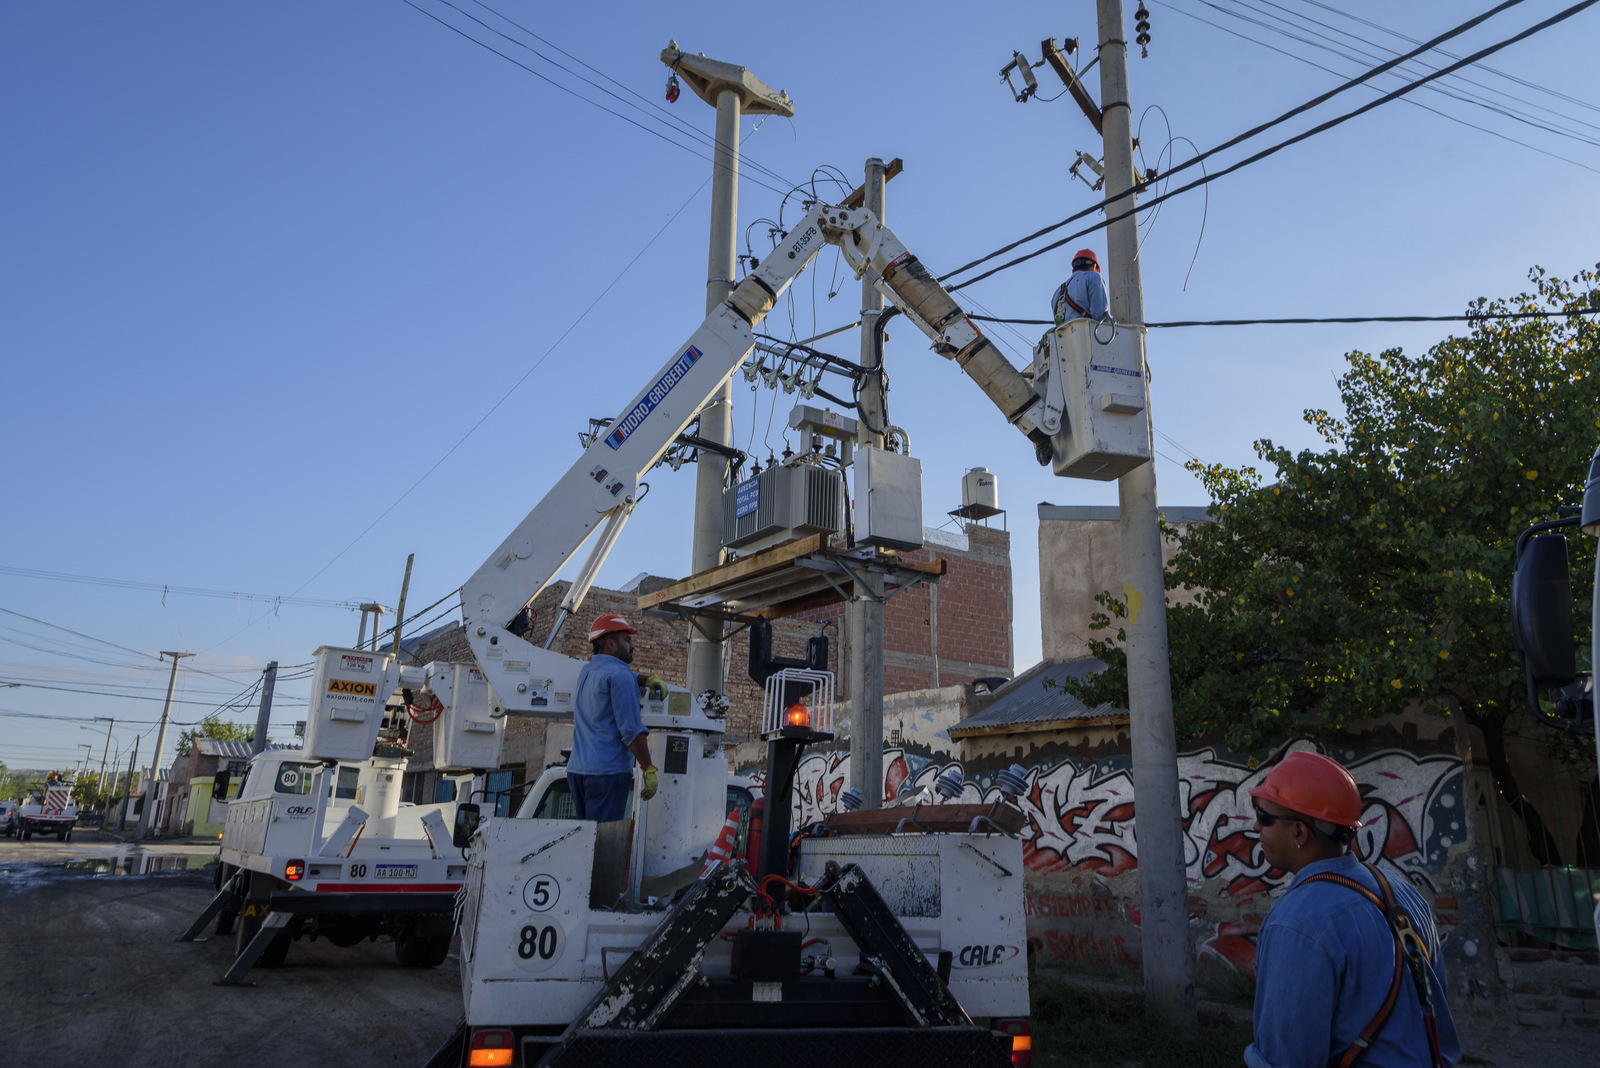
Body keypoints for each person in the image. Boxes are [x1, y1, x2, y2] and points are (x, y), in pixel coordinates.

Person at [1246, 750, 1460, 1068]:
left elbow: (1286, 1058)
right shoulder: (1405, 895)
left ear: (1299, 833)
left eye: (1264, 816)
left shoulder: (1296, 922)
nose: (1255, 826)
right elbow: (1435, 1018)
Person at [567, 613, 660, 823]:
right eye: (627, 640)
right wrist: (648, 767)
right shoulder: (620, 675)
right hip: (607, 774)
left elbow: (613, 676)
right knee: (601, 844)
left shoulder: (587, 671)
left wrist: (644, 679)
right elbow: (631, 730)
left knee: (586, 841)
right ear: (610, 643)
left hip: (577, 772)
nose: (632, 645)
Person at [1051, 248, 1110, 324]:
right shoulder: (1094, 277)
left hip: (1064, 335)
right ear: (1094, 266)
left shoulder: (1058, 292)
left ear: (1074, 268)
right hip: (1087, 333)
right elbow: (1100, 315)